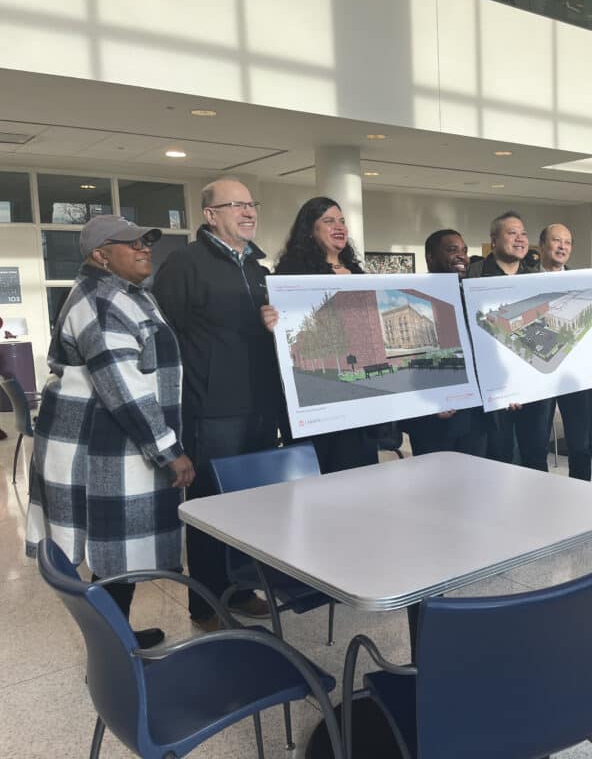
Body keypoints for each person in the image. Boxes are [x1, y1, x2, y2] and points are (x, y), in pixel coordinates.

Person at [26, 215, 195, 649]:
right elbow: (124, 389)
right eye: (131, 243)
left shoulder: (126, 293)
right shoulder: (102, 302)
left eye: (146, 240)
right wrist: (168, 450)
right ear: (101, 255)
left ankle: (119, 640)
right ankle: (114, 652)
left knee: (118, 551)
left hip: (116, 443)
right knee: (112, 549)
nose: (145, 248)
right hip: (106, 448)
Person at [152, 178, 278, 632]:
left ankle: (242, 588)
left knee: (251, 506)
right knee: (211, 508)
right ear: (210, 214)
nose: (248, 212)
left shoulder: (259, 269)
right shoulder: (184, 265)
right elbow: (164, 340)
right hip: (212, 409)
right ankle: (205, 605)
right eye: (236, 205)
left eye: (251, 204)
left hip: (260, 406)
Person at [260, 196, 380, 472]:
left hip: (360, 394)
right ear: (309, 230)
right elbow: (291, 335)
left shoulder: (359, 274)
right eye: (328, 221)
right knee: (323, 479)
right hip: (317, 395)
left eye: (341, 221)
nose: (339, 227)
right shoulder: (292, 275)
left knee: (361, 475)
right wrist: (272, 326)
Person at [467, 211, 549, 471]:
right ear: (494, 241)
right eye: (512, 233)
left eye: (523, 233)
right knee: (499, 458)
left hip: (534, 382)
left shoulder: (535, 277)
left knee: (536, 456)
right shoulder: (474, 277)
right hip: (495, 386)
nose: (520, 239)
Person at [401, 228, 487, 456]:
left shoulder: (471, 296)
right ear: (430, 257)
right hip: (434, 416)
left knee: (475, 481)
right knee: (437, 486)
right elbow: (406, 359)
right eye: (452, 250)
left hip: (474, 413)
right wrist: (432, 401)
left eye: (464, 251)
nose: (462, 256)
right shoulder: (411, 297)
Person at [537, 223, 592, 481]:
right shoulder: (522, 282)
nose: (562, 247)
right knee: (536, 444)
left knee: (581, 445)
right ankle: (538, 498)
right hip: (537, 374)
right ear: (541, 246)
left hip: (575, 375)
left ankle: (581, 500)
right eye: (556, 241)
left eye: (568, 242)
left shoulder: (584, 285)